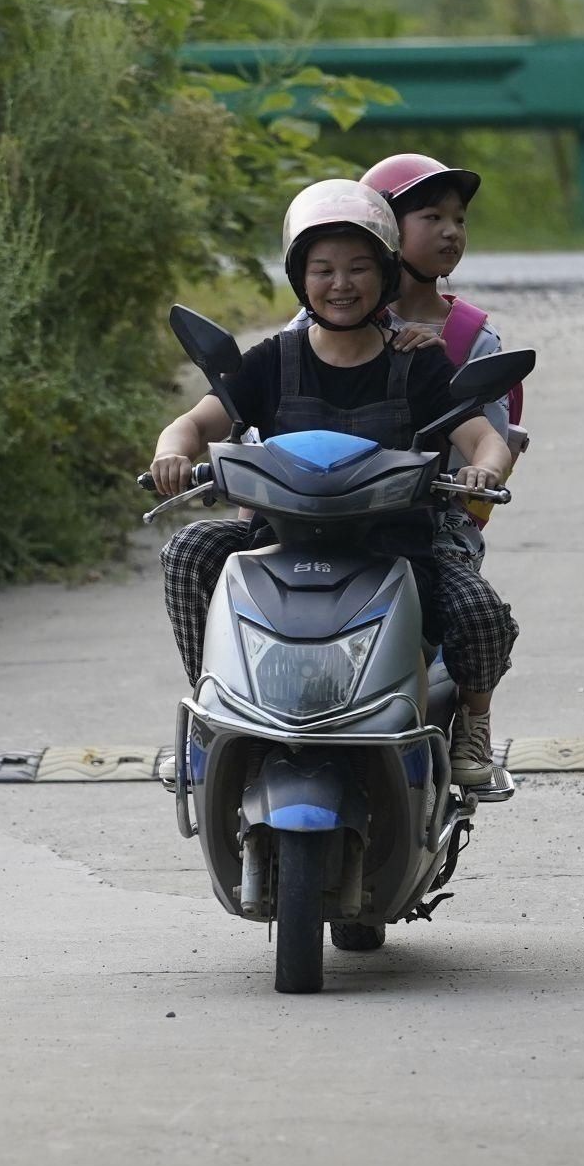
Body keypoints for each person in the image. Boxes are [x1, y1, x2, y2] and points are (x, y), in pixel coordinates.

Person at [151, 179, 520, 786]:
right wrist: (171, 453)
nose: (340, 284)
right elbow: (193, 423)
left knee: (479, 613)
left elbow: (485, 438)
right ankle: (212, 714)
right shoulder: (273, 359)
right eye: (322, 269)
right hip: (281, 538)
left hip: (399, 544)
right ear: (301, 279)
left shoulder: (417, 360)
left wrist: (484, 469)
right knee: (188, 554)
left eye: (357, 268)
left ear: (385, 274)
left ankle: (472, 726)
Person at [360, 151, 524, 533]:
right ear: (382, 226)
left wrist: (482, 472)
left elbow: (487, 447)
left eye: (459, 219)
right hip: (315, 508)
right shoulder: (327, 320)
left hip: (431, 523)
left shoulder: (473, 340)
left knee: (467, 595)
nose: (451, 231)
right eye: (433, 217)